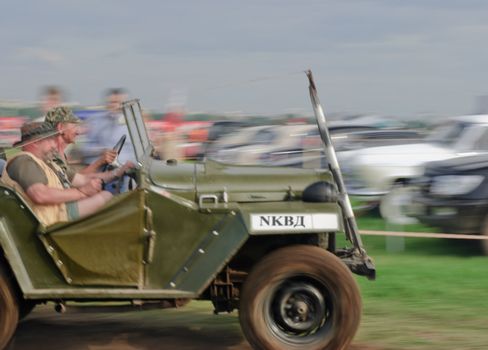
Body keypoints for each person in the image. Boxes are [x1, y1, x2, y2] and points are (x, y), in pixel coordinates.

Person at [0, 122, 112, 227]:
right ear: (35, 142)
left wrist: (116, 173)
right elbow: (40, 195)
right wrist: (81, 192)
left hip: (56, 213)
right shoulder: (23, 161)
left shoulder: (46, 162)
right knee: (106, 197)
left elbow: (82, 180)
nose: (54, 145)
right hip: (50, 220)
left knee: (107, 197)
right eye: (50, 140)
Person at [44, 106, 133, 185]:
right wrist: (115, 172)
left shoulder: (59, 152)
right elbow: (75, 180)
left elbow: (75, 177)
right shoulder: (52, 154)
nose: (78, 131)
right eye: (74, 126)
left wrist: (102, 162)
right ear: (61, 128)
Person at [83, 88, 136, 192]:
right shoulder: (96, 121)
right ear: (107, 103)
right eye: (112, 102)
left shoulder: (132, 123)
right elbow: (85, 149)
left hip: (125, 173)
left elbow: (136, 152)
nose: (115, 106)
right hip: (101, 171)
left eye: (119, 103)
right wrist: (101, 151)